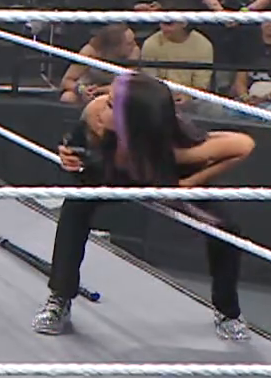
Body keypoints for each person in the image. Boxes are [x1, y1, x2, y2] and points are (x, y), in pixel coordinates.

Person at [34, 72, 255, 339]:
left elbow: (244, 145)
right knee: (75, 206)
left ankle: (228, 311)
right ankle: (60, 297)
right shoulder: (95, 115)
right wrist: (68, 154)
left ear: (133, 120)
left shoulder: (174, 149)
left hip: (166, 177)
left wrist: (190, 182)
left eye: (112, 104)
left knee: (226, 229)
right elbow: (74, 144)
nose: (100, 104)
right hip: (114, 174)